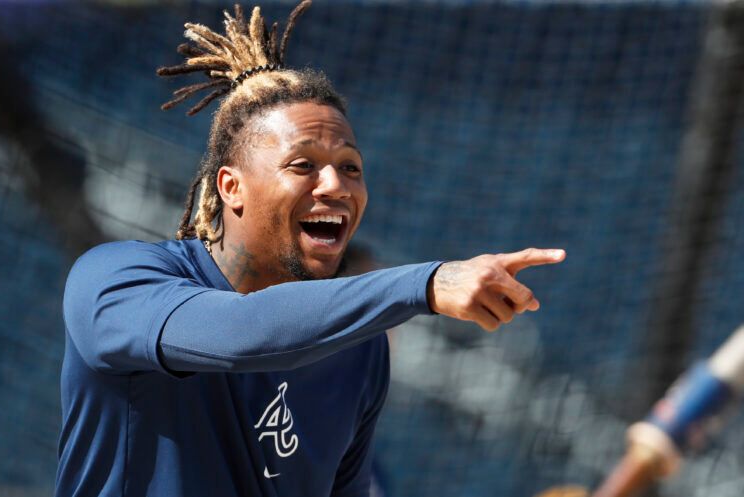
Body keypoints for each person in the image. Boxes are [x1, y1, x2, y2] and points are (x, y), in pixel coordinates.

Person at [55, 2, 566, 496]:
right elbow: (241, 334)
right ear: (231, 187)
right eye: (302, 165)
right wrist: (426, 284)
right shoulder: (114, 280)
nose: (336, 186)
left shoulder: (359, 351)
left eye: (350, 167)